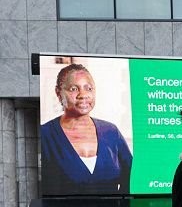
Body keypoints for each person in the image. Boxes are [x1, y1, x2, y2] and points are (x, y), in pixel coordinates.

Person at [40, 63, 133, 195]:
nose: (83, 95)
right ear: (58, 93)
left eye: (89, 88)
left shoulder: (111, 132)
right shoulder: (45, 135)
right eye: (73, 89)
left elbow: (131, 178)